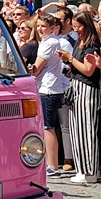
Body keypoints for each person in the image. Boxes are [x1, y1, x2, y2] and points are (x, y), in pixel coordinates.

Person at [56, 10, 101, 184]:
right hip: (77, 87)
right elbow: (79, 66)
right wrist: (69, 64)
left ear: (86, 25)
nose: (76, 30)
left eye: (79, 27)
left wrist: (70, 59)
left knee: (87, 130)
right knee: (76, 131)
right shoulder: (80, 42)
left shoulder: (92, 45)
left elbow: (89, 70)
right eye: (74, 27)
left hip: (88, 89)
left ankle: (90, 170)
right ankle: (82, 168)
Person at [27, 13, 71, 177]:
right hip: (50, 87)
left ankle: (52, 165)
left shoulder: (49, 43)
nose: (39, 29)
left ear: (53, 28)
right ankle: (50, 162)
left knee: (48, 128)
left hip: (48, 89)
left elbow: (37, 69)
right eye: (38, 26)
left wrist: (30, 69)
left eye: (43, 26)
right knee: (49, 127)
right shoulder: (49, 42)